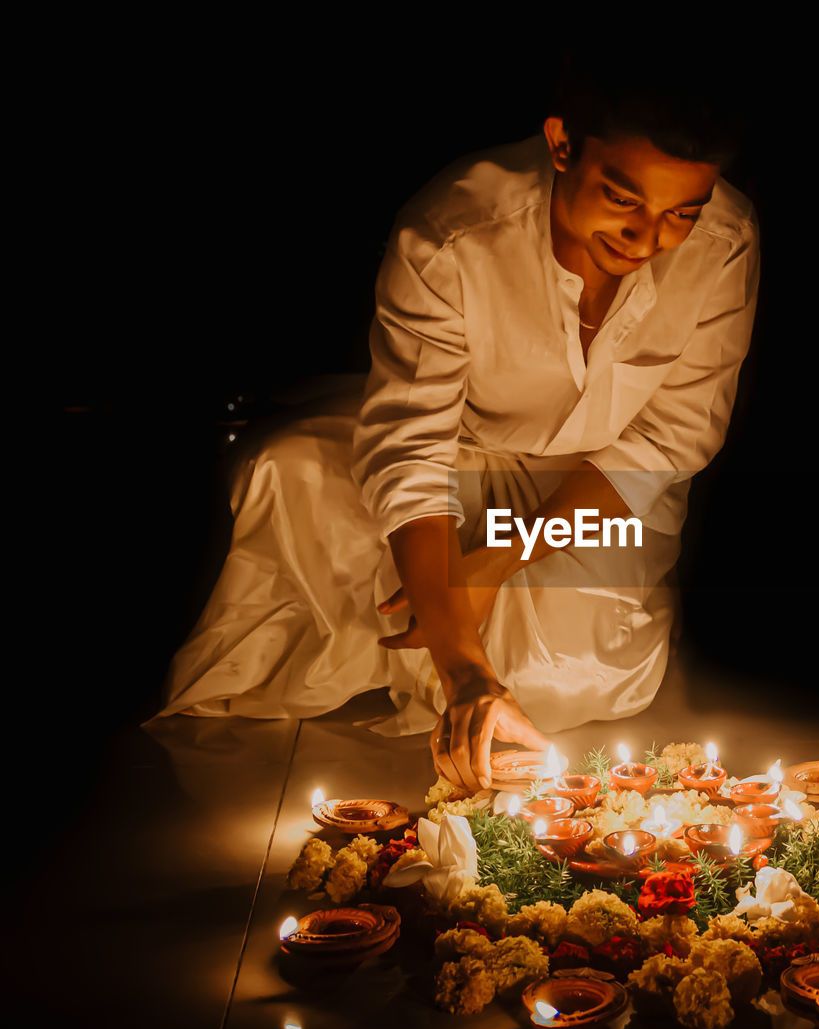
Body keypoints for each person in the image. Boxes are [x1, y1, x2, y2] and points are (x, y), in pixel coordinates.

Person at [157, 58, 760, 793]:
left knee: (568, 672)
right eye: (621, 198)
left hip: (602, 495)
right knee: (287, 477)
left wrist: (498, 557)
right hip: (459, 446)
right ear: (562, 144)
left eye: (680, 215)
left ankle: (444, 615)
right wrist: (466, 671)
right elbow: (413, 449)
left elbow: (664, 443)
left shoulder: (726, 242)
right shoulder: (451, 234)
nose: (644, 239)